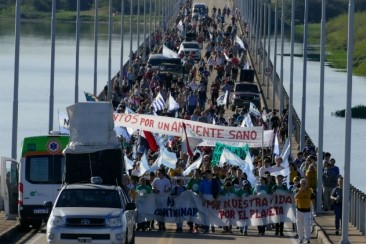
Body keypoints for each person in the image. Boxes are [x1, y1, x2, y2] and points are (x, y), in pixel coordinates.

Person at [294, 179, 314, 243]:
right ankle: (300, 238)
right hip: (299, 210)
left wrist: (314, 209)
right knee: (299, 225)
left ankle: (307, 239)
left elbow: (312, 200)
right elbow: (295, 197)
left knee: (307, 225)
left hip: (307, 211)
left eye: (304, 183)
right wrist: (300, 191)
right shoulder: (298, 190)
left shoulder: (310, 191)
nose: (303, 184)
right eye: (302, 183)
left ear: (307, 184)